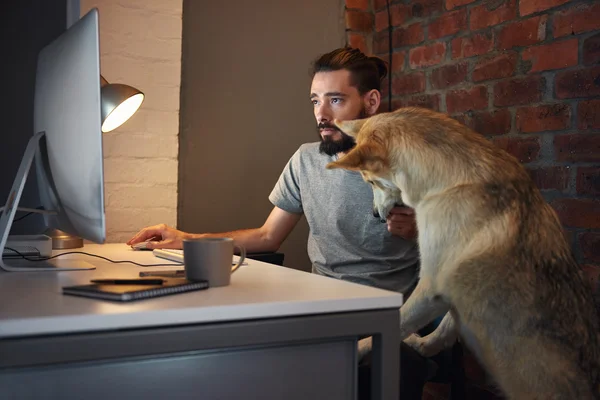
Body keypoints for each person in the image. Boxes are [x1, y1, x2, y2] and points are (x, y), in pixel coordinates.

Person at [127, 47, 431, 399]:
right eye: (315, 101)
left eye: (336, 100)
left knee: (396, 365)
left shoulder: (412, 161)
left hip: (390, 317)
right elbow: (267, 236)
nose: (322, 113)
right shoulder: (305, 160)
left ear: (372, 102)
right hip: (324, 309)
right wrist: (185, 238)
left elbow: (463, 248)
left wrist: (419, 232)